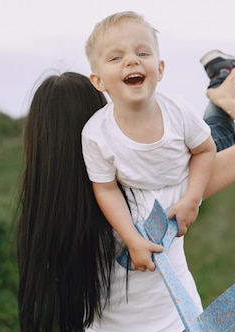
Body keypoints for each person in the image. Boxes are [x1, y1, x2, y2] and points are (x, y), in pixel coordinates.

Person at [17, 28, 235, 332]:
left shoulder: (42, 224)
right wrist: (228, 101)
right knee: (214, 140)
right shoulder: (153, 195)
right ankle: (222, 81)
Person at [82, 11, 216, 274]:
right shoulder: (96, 135)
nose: (132, 61)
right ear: (98, 81)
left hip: (192, 152)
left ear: (160, 69)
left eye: (142, 53)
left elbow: (205, 150)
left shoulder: (178, 110)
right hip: (167, 169)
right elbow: (106, 189)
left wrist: (193, 197)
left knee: (221, 128)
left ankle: (222, 79)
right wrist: (132, 239)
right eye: (116, 57)